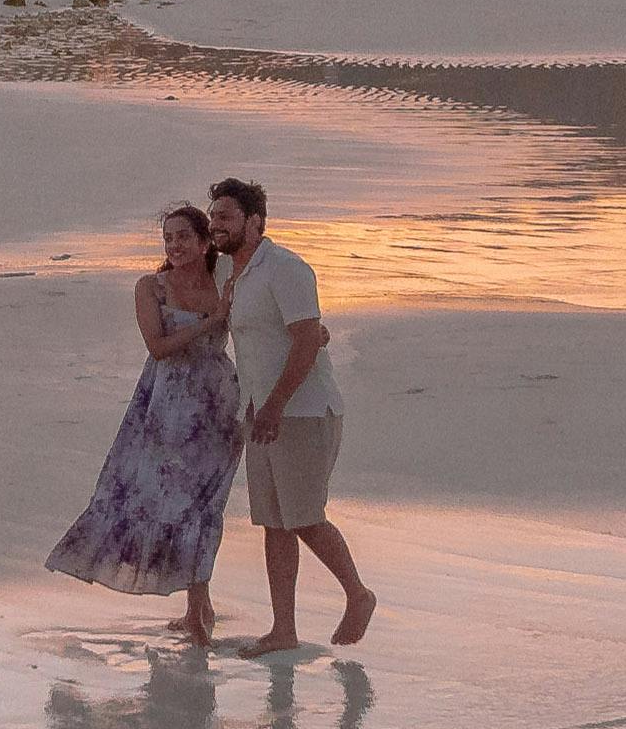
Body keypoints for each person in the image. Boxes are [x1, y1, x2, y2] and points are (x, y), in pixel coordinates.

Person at [43, 204, 245, 643]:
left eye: (183, 237)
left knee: (206, 506)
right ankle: (197, 605)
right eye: (168, 238)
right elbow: (158, 346)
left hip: (217, 408)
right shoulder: (151, 287)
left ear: (204, 241)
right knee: (162, 501)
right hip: (167, 409)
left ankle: (198, 608)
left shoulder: (226, 279)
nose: (174, 245)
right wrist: (211, 322)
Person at [204, 177, 377, 656]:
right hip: (261, 413)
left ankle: (358, 595)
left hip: (302, 411)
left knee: (304, 518)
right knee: (274, 523)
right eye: (214, 216)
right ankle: (284, 630)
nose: (217, 225)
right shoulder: (231, 274)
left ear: (255, 222)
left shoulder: (286, 268)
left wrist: (276, 404)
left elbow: (305, 339)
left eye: (226, 217)